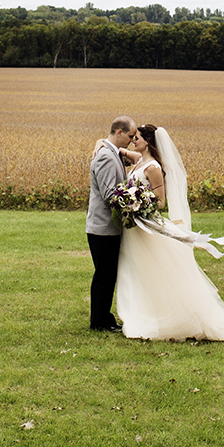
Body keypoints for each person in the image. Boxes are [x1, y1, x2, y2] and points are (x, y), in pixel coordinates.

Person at [113, 124, 224, 342]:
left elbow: (160, 201)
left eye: (138, 138)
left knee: (153, 272)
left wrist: (138, 204)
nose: (133, 141)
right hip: (135, 229)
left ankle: (162, 318)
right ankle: (141, 313)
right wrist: (103, 144)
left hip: (146, 226)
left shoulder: (153, 168)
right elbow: (120, 151)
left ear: (148, 142)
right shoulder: (139, 160)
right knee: (136, 271)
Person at [86, 115, 135, 331]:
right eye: (131, 136)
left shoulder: (111, 152)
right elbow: (108, 194)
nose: (132, 140)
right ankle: (99, 322)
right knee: (104, 276)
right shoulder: (106, 156)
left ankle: (103, 318)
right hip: (102, 228)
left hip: (107, 228)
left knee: (107, 275)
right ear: (119, 133)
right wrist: (133, 203)